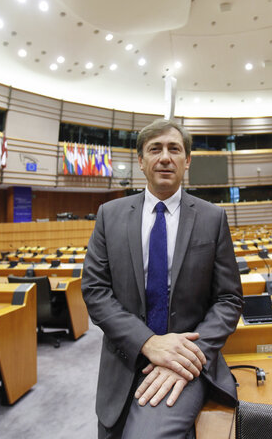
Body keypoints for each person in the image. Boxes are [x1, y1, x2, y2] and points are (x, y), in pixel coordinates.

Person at [82, 119, 243, 438]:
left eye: (175, 149)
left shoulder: (212, 218)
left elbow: (228, 299)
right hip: (125, 359)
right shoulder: (109, 215)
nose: (165, 157)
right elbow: (96, 292)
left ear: (188, 160)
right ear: (140, 161)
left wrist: (187, 354)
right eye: (155, 149)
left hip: (186, 364)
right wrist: (148, 342)